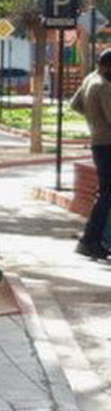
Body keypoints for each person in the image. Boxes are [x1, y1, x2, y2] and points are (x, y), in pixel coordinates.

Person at [72, 50, 111, 259]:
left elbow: (75, 104)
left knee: (105, 192)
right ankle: (90, 239)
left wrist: (93, 120)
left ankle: (93, 239)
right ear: (107, 66)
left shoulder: (89, 79)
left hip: (97, 141)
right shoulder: (103, 86)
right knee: (106, 194)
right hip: (107, 143)